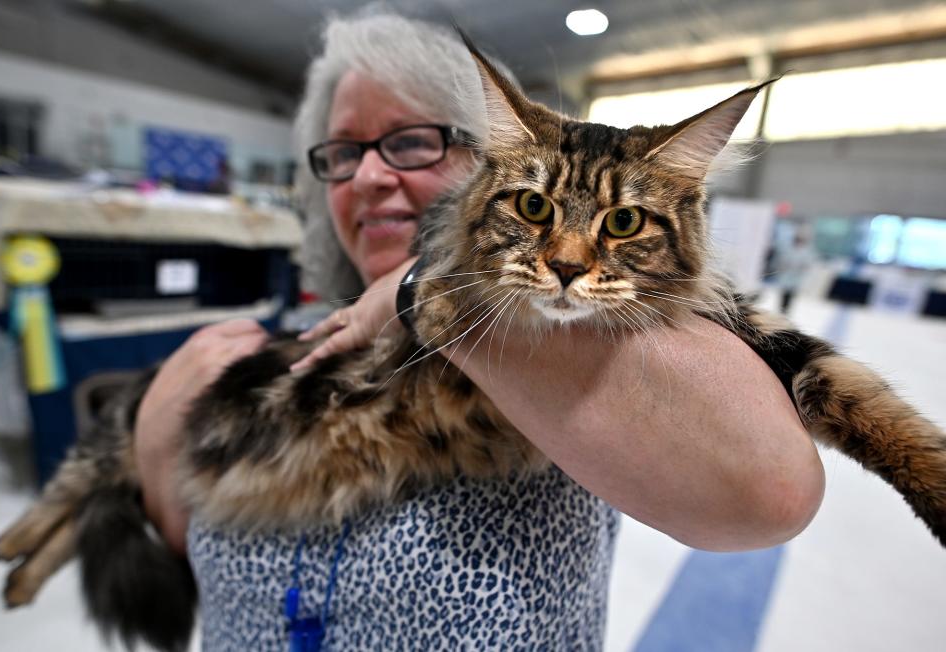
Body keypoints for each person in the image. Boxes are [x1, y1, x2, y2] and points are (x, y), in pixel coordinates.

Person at [134, 12, 825, 650]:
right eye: (343, 154)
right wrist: (156, 438)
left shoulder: (569, 325)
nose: (370, 175)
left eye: (409, 142)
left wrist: (418, 289)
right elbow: (185, 563)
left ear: (499, 163)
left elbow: (772, 491)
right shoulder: (288, 340)